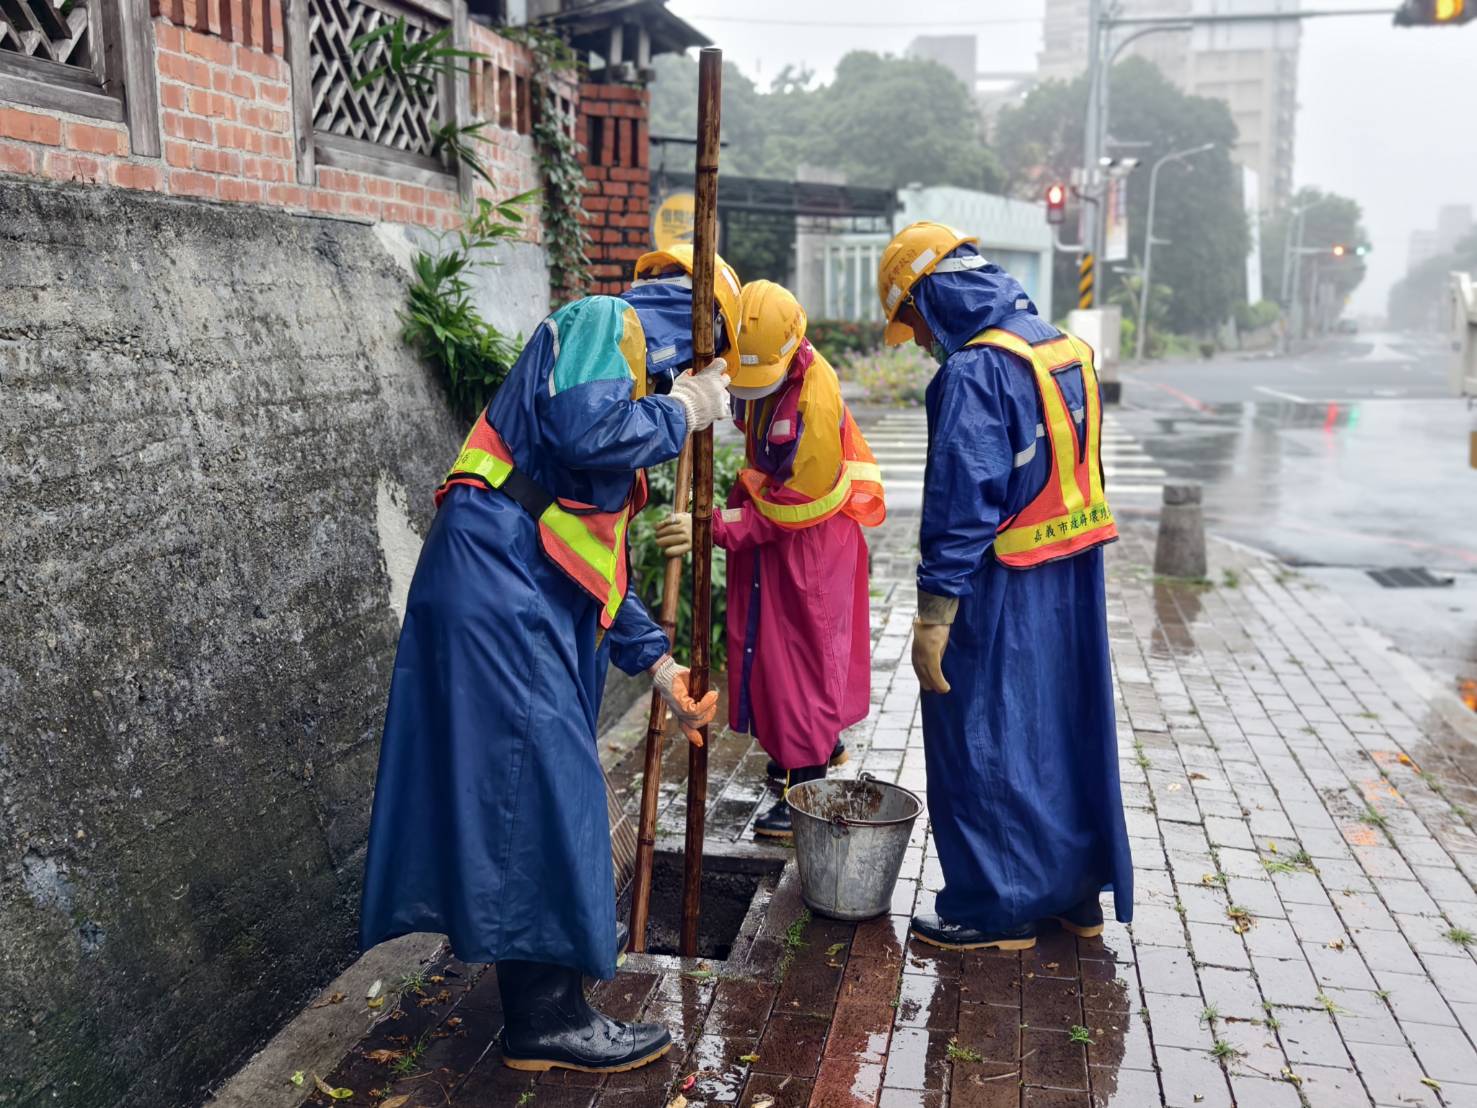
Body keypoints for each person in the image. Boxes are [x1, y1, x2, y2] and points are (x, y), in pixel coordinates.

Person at [358, 263, 736, 1073]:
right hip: (501, 589)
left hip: (513, 583)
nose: (704, 383)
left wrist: (661, 666)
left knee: (520, 794)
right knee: (547, 791)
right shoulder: (605, 322)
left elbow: (589, 555)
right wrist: (682, 409)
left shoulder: (621, 382)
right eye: (715, 365)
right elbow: (587, 433)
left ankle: (542, 1009)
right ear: (703, 333)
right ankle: (546, 1019)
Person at [876, 221, 1133, 951]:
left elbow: (962, 500)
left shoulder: (974, 372)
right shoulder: (1061, 348)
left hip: (998, 586)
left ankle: (996, 906)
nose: (918, 338)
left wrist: (933, 614)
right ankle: (1074, 895)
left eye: (912, 319)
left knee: (981, 736)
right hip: (1071, 580)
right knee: (1061, 731)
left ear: (931, 296)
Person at [656, 280, 884, 838]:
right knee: (784, 659)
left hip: (808, 544)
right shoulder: (767, 368)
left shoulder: (813, 397)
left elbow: (794, 506)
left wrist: (710, 525)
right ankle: (804, 756)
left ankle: (805, 789)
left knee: (802, 664)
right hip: (787, 542)